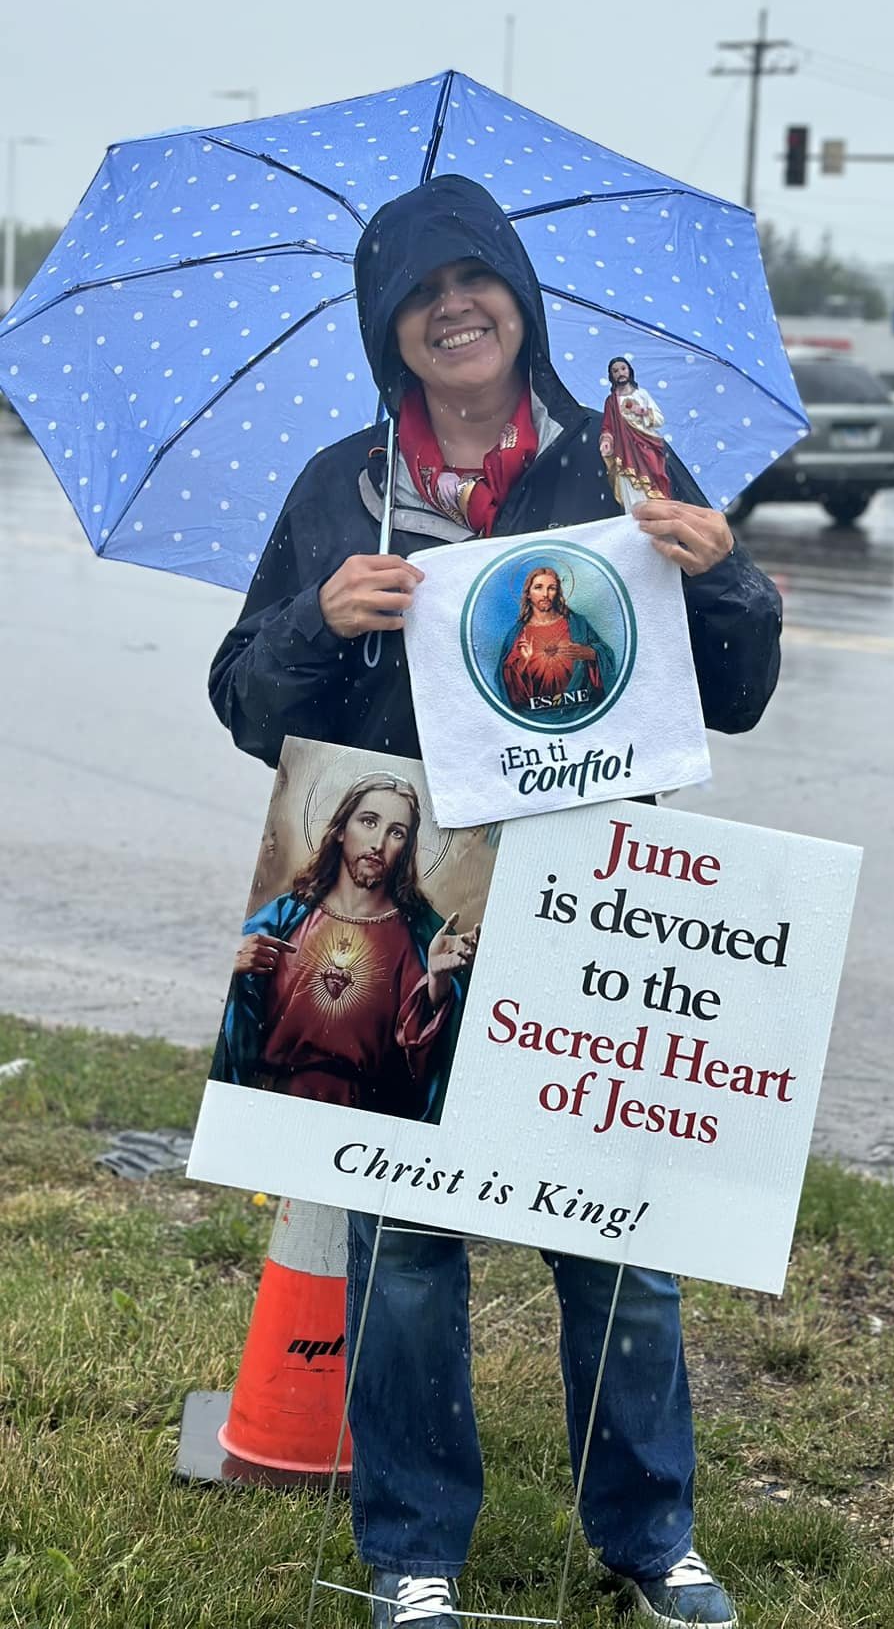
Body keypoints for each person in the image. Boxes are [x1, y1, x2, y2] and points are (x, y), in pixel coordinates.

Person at [209, 173, 781, 1629]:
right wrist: (311, 619)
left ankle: (651, 1536)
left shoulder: (622, 457)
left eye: (475, 279)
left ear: (519, 298)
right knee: (403, 1252)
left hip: (591, 895)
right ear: (385, 327)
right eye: (417, 291)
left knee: (620, 1245)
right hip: (409, 892)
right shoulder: (342, 484)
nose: (451, 306)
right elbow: (241, 695)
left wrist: (719, 583)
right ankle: (414, 1553)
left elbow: (740, 689)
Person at [214, 774, 475, 1122]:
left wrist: (439, 983)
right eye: (369, 822)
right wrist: (235, 965)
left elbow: (425, 1060)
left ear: (406, 848)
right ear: (341, 828)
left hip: (362, 1119)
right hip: (270, 1101)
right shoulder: (282, 918)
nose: (378, 843)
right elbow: (238, 1018)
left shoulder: (423, 937)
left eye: (396, 832)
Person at [498, 564, 614, 716]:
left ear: (557, 592)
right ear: (528, 593)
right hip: (537, 715)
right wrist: (523, 662)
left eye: (551, 588)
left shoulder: (577, 624)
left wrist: (591, 654)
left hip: (581, 709)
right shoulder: (519, 634)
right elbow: (508, 685)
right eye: (538, 587)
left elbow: (608, 658)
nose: (545, 594)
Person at [600, 354, 672, 509]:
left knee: (655, 477)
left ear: (629, 371)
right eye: (615, 371)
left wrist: (643, 411)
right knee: (630, 484)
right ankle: (635, 517)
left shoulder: (642, 394)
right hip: (624, 451)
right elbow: (608, 427)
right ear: (611, 376)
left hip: (647, 444)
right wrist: (606, 441)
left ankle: (657, 514)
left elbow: (660, 419)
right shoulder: (611, 401)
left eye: (623, 369)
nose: (620, 373)